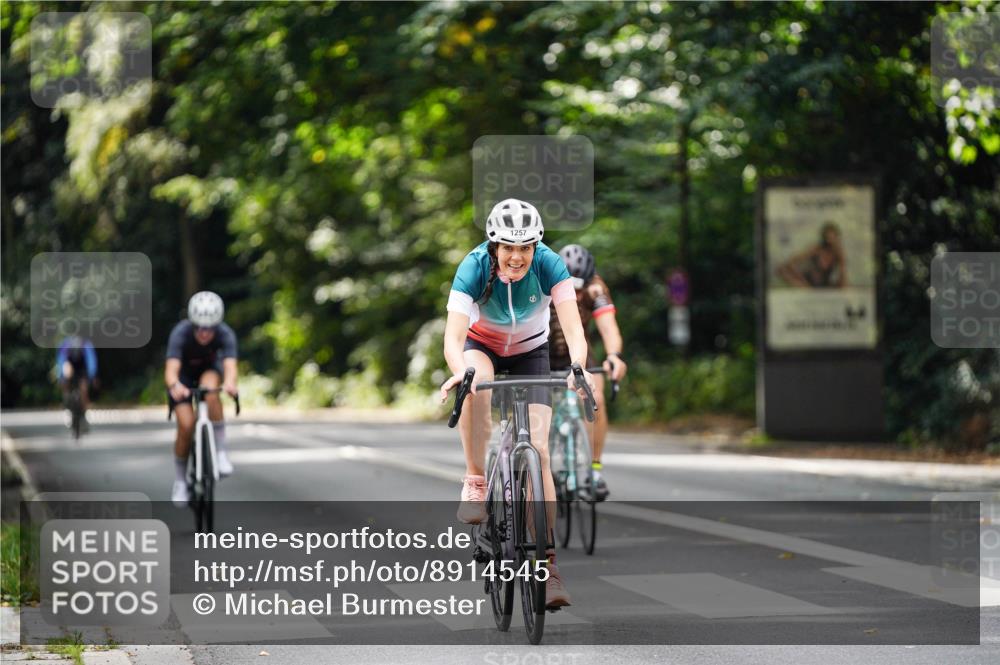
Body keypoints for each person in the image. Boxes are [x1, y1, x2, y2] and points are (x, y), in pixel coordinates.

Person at [439, 198, 595, 609]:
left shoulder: (549, 265)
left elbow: (574, 330)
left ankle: (547, 566)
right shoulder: (473, 267)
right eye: (508, 246)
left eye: (525, 247)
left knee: (539, 451)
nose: (517, 256)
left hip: (532, 351)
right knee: (476, 383)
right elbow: (454, 337)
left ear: (536, 246)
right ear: (494, 246)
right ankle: (476, 480)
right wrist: (459, 368)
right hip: (482, 346)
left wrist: (578, 366)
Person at [548, 244, 627, 500]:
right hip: (543, 351)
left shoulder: (596, 287)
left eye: (581, 288)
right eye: (572, 287)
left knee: (597, 400)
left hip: (580, 352)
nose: (577, 294)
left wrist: (614, 356)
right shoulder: (544, 280)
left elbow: (609, 328)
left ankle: (594, 469)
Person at [165, 291, 239, 507]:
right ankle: (180, 481)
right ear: (192, 323)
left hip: (209, 371)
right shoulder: (180, 333)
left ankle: (221, 453)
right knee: (186, 425)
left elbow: (230, 367)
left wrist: (231, 384)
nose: (205, 333)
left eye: (210, 328)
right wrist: (174, 386)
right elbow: (171, 370)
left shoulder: (225, 333)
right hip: (183, 378)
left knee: (210, 389)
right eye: (200, 327)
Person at [776, 222, 846, 289]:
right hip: (808, 283)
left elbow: (843, 277)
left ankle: (808, 289)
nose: (830, 239)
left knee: (841, 285)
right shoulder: (816, 249)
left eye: (833, 237)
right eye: (828, 237)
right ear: (824, 237)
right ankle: (805, 288)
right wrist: (801, 279)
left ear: (837, 237)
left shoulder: (838, 253)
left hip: (824, 285)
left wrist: (842, 286)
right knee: (782, 270)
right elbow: (792, 261)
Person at [56, 335, 98, 426]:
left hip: (82, 368)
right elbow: (61, 361)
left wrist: (91, 376)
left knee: (84, 389)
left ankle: (85, 412)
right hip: (70, 367)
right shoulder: (66, 344)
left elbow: (91, 362)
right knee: (66, 378)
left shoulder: (86, 345)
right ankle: (67, 403)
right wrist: (61, 377)